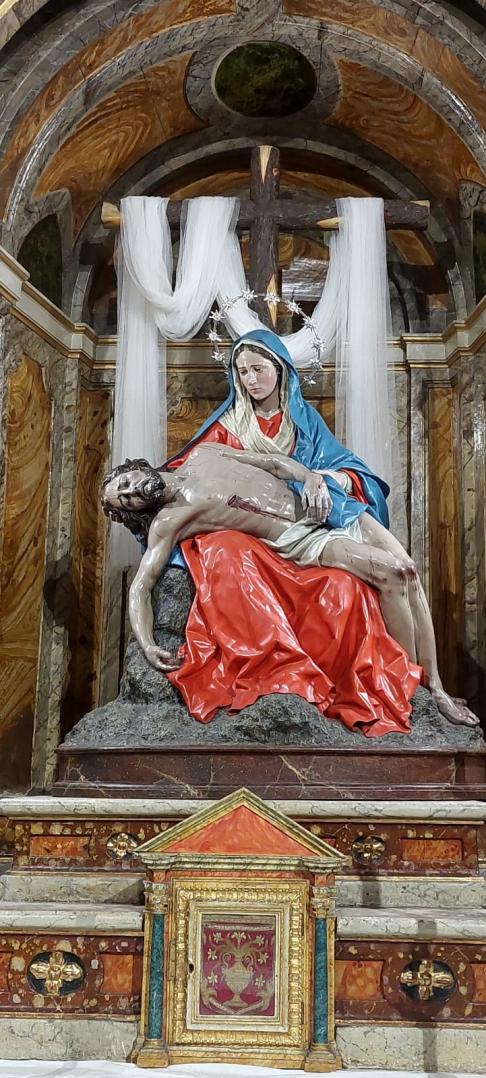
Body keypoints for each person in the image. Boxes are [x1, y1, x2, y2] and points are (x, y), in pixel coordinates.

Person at [102, 451, 478, 729]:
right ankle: (409, 687)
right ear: (136, 511)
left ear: (135, 468)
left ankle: (436, 686)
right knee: (394, 574)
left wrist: (310, 476)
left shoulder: (204, 454)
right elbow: (140, 587)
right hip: (302, 537)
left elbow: (272, 463)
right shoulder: (168, 521)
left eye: (125, 483)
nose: (132, 492)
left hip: (326, 507)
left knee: (409, 571)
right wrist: (147, 643)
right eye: (126, 499)